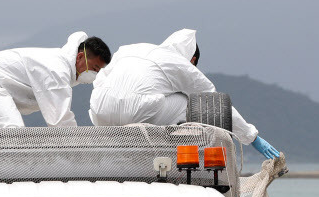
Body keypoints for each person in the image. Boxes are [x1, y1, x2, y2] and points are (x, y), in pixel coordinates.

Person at [89, 29, 279, 159]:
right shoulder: (179, 63)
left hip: (99, 113)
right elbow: (213, 101)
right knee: (191, 101)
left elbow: (100, 79)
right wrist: (251, 136)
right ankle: (181, 147)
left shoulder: (129, 49)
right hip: (136, 113)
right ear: (193, 58)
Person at [0, 33, 111, 128]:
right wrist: (81, 150)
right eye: (94, 68)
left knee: (5, 130)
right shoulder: (56, 69)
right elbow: (60, 121)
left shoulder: (61, 67)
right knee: (12, 131)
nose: (94, 75)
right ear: (79, 57)